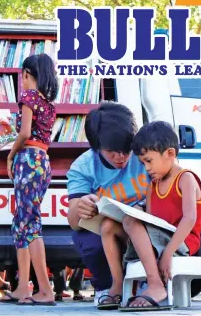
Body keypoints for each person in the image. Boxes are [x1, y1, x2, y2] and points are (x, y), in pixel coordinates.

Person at [66, 102, 150, 308]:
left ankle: (146, 284)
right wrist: (81, 207)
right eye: (112, 151)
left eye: (125, 150)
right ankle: (107, 285)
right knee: (88, 239)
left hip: (145, 227)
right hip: (107, 231)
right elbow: (73, 222)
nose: (120, 157)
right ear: (96, 147)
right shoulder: (83, 166)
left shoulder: (145, 154)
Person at [116, 121, 201, 311]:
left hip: (181, 240)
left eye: (149, 160)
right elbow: (151, 218)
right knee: (120, 223)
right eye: (142, 163)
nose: (146, 168)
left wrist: (167, 253)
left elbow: (189, 219)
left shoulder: (186, 178)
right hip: (161, 237)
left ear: (170, 154)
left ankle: (155, 285)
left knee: (130, 222)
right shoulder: (153, 186)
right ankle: (127, 288)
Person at [0, 54, 58, 306]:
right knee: (22, 222)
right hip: (42, 161)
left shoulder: (28, 97)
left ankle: (44, 290)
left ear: (26, 74)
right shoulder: (49, 104)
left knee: (29, 222)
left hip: (27, 160)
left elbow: (23, 133)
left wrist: (10, 155)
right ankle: (23, 286)